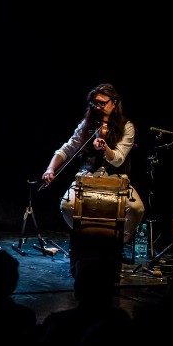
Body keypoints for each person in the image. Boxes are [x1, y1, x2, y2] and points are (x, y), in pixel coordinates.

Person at [41, 82, 144, 246]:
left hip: (115, 178)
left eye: (102, 103)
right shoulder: (86, 124)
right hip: (88, 176)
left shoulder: (127, 126)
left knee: (136, 208)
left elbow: (118, 159)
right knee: (67, 205)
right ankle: (86, 239)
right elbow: (67, 148)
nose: (98, 107)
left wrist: (105, 148)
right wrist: (50, 168)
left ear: (114, 103)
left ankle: (118, 242)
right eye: (95, 103)